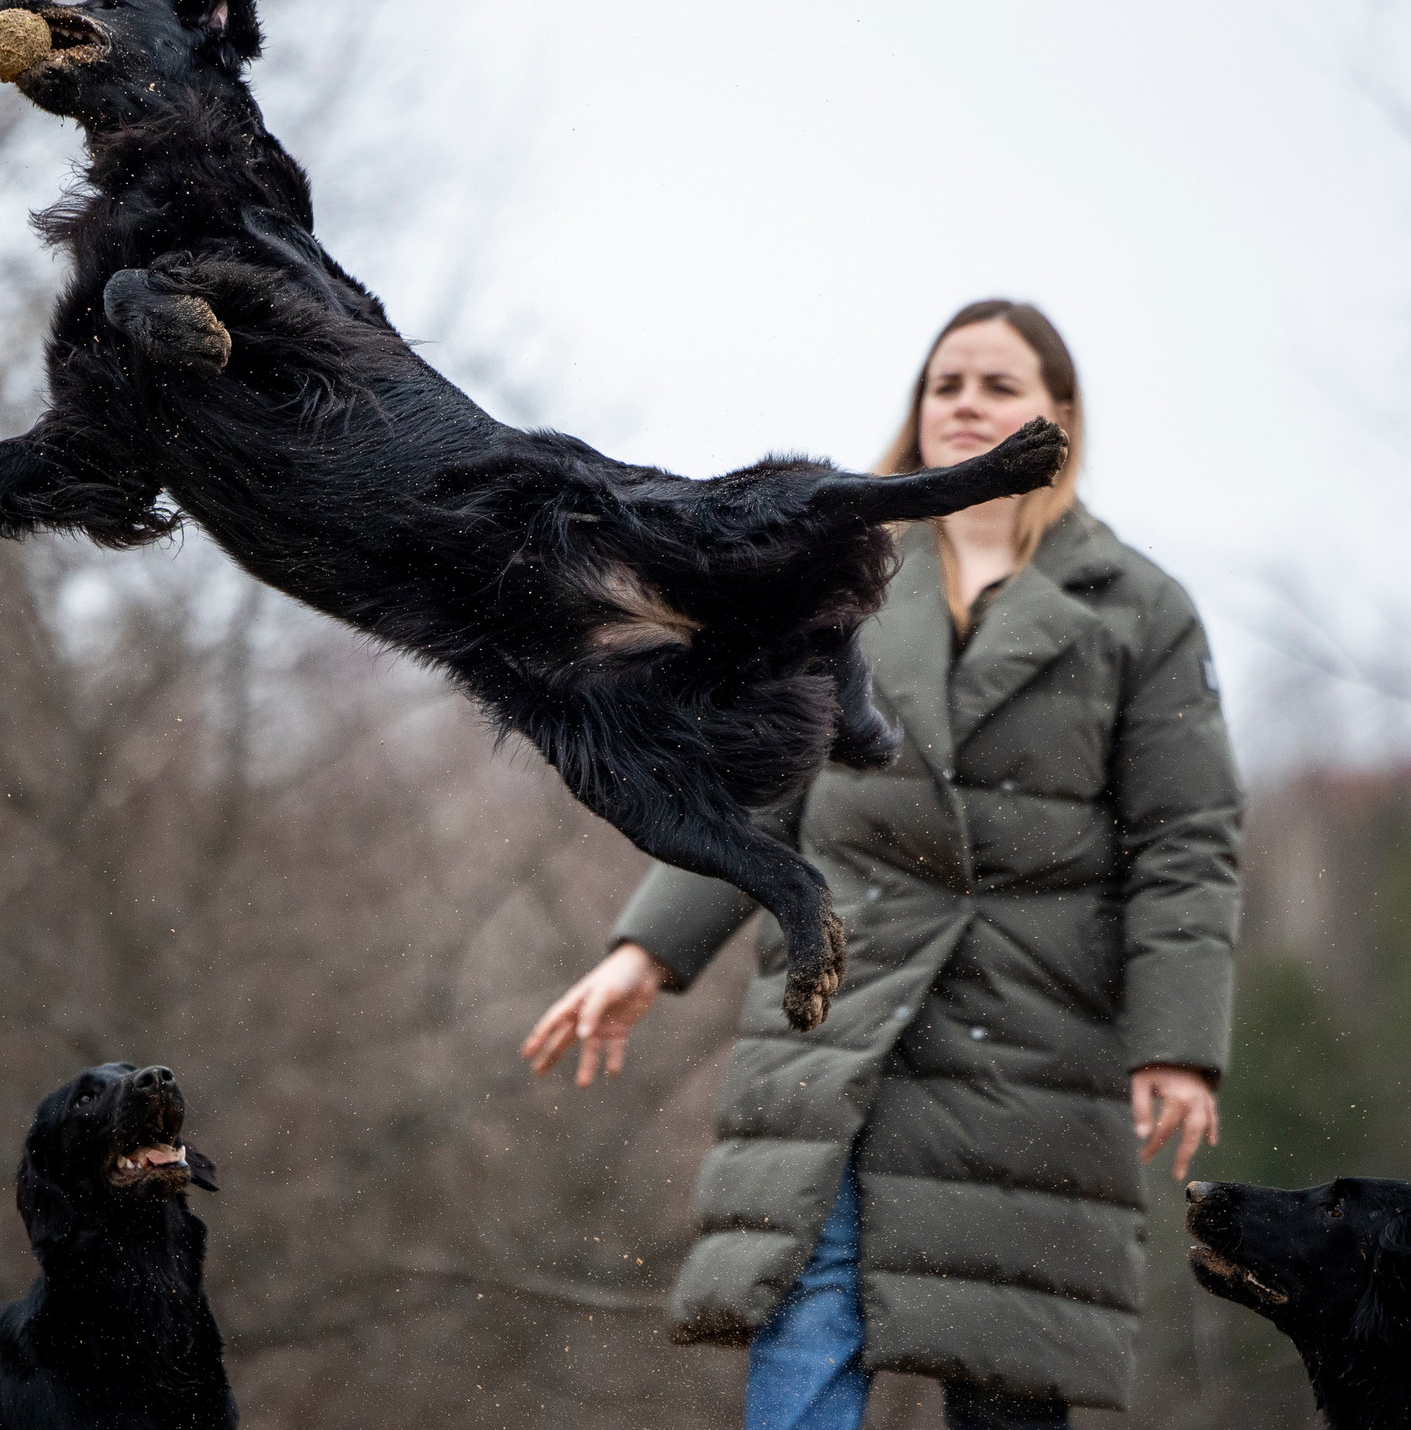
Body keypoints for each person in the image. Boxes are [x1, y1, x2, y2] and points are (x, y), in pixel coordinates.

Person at [522, 301, 1242, 1428]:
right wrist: (644, 951)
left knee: (1006, 1367)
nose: (964, 402)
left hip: (1033, 1036)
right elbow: (767, 780)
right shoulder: (834, 573)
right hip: (841, 1005)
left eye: (998, 385)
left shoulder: (1138, 610)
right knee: (806, 1311)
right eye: (944, 381)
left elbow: (1185, 839)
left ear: (1056, 414)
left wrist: (1178, 1043)